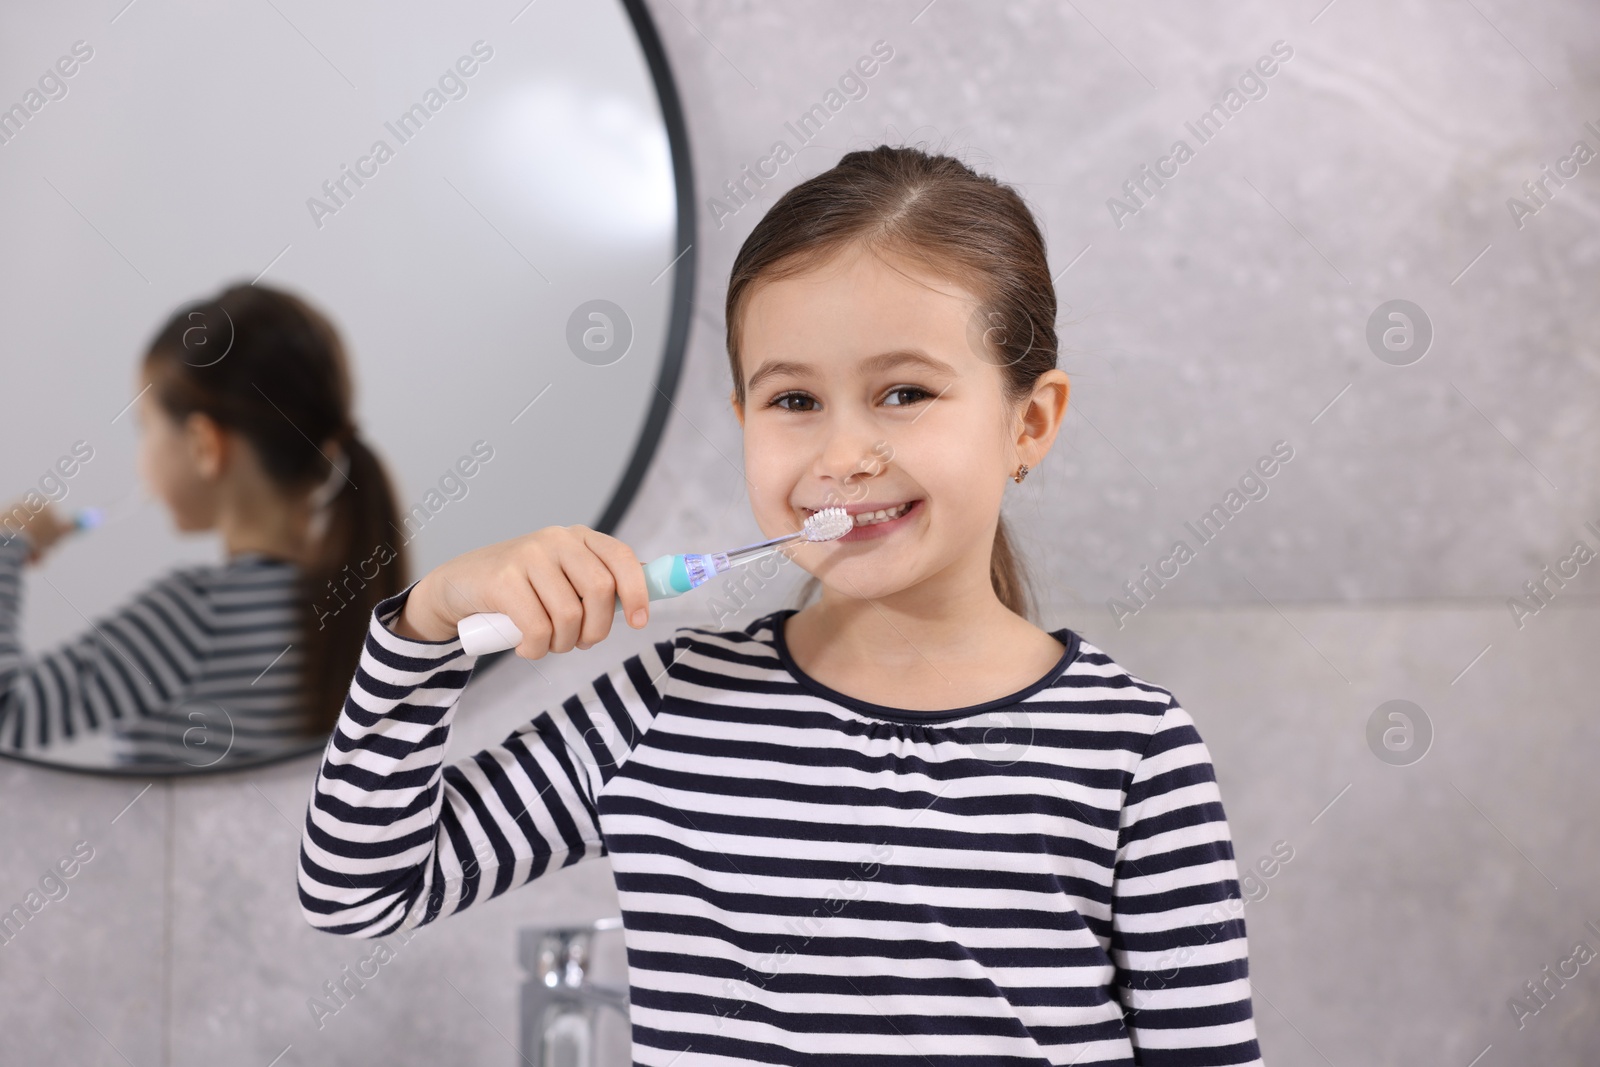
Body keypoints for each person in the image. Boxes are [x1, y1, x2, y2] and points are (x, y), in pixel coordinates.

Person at [298, 145, 1263, 1064]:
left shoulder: (1133, 751)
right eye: (794, 402)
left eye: (905, 392)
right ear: (744, 421)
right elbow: (358, 888)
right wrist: (427, 624)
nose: (843, 454)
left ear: (1030, 421)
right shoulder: (666, 707)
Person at [0, 283, 407, 767]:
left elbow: (9, 716)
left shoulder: (194, 618)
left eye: (144, 427)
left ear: (203, 446)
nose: (140, 461)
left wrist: (8, 544)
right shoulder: (358, 610)